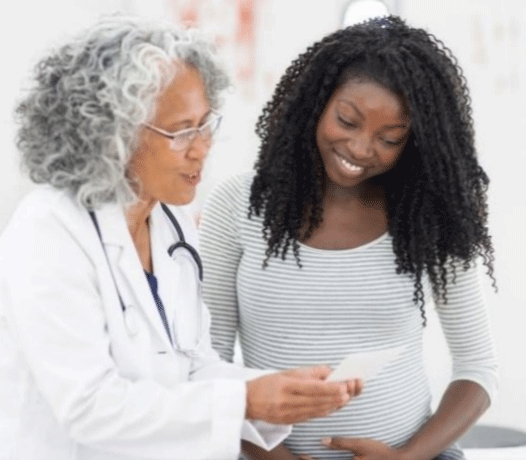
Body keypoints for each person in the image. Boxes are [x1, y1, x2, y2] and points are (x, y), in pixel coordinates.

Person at [0, 17, 363, 460]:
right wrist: (245, 401)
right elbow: (89, 408)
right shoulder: (47, 234)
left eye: (205, 124)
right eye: (180, 131)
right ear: (111, 136)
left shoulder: (171, 222)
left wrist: (277, 391)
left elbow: (189, 365)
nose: (201, 148)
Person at [199, 16, 498, 460]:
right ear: (314, 106)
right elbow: (208, 364)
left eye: (390, 138)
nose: (360, 149)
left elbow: (477, 369)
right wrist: (270, 456)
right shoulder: (238, 206)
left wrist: (406, 458)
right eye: (347, 121)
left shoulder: (426, 218)